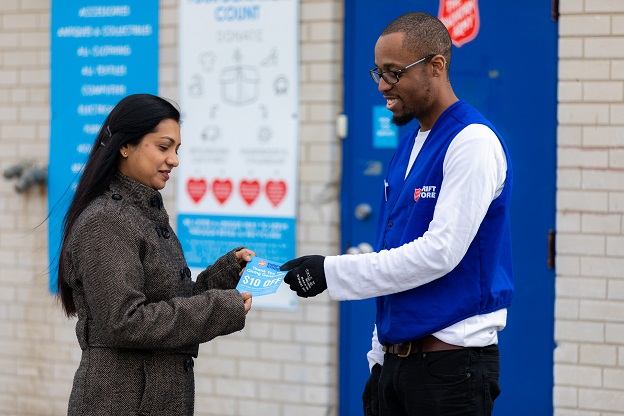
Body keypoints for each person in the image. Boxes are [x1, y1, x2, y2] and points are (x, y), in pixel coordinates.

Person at [280, 12, 513, 416]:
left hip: (450, 371)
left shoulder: (472, 142)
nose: (383, 86)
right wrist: (378, 357)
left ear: (436, 66)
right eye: (378, 73)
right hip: (397, 364)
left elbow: (439, 252)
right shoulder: (409, 145)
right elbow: (395, 251)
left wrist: (331, 272)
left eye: (394, 73)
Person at [56, 93, 255, 416]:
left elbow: (167, 302)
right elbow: (126, 321)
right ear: (125, 146)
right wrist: (220, 307)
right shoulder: (105, 221)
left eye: (176, 150)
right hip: (120, 403)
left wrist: (227, 273)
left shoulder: (142, 212)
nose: (174, 160)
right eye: (163, 147)